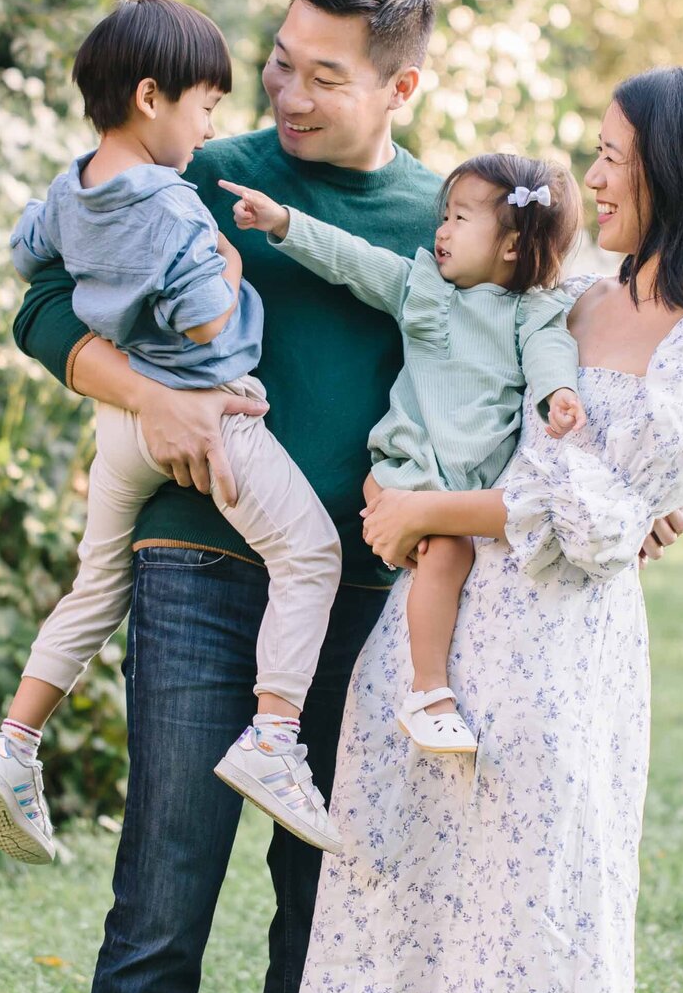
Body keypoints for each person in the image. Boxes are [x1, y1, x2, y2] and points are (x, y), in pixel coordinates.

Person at [11, 0, 683, 993]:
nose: (288, 93)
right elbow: (43, 305)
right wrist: (147, 396)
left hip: (374, 604)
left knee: (326, 916)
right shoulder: (200, 175)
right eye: (277, 63)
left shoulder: (452, 226)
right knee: (161, 907)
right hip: (200, 567)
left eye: (324, 76)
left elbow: (544, 387)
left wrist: (627, 504)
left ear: (402, 86)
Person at [287, 66, 683, 993]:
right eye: (598, 153)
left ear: (680, 167)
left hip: (562, 664)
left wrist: (440, 510)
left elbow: (597, 517)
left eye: (615, 156)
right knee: (403, 919)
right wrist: (418, 495)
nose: (594, 176)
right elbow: (484, 411)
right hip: (434, 642)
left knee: (559, 934)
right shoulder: (573, 295)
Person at [0, 0, 345, 862]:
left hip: (123, 425)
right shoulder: (175, 209)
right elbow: (209, 326)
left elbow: (30, 254)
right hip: (209, 418)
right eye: (204, 106)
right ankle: (275, 738)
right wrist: (233, 267)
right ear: (149, 97)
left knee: (96, 585)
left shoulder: (72, 185)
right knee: (310, 554)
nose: (208, 130)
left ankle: (14, 744)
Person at [220, 153, 585, 754]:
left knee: (456, 560)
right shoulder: (424, 292)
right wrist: (283, 220)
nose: (440, 229)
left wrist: (560, 395)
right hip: (403, 470)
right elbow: (350, 261)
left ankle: (426, 682)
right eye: (444, 214)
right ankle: (428, 692)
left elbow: (551, 354)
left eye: (460, 218)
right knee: (447, 554)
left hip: (463, 490)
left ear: (514, 246)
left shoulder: (533, 313)